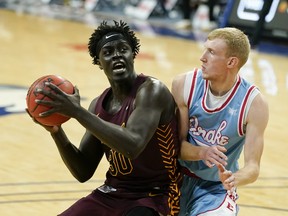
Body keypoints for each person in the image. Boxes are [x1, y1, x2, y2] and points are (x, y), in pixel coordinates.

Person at [28, 20, 182, 216]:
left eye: (123, 49)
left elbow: (132, 145)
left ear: (133, 54)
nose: (116, 55)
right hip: (113, 193)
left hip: (158, 195)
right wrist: (56, 131)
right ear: (99, 62)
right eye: (108, 52)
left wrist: (78, 112)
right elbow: (83, 171)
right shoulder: (97, 105)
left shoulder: (152, 90)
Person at [171, 27, 269, 215]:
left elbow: (253, 168)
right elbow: (176, 146)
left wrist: (233, 179)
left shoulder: (254, 104)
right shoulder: (184, 84)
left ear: (231, 62)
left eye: (212, 52)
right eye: (205, 49)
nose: (202, 57)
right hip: (175, 178)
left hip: (216, 188)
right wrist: (202, 152)